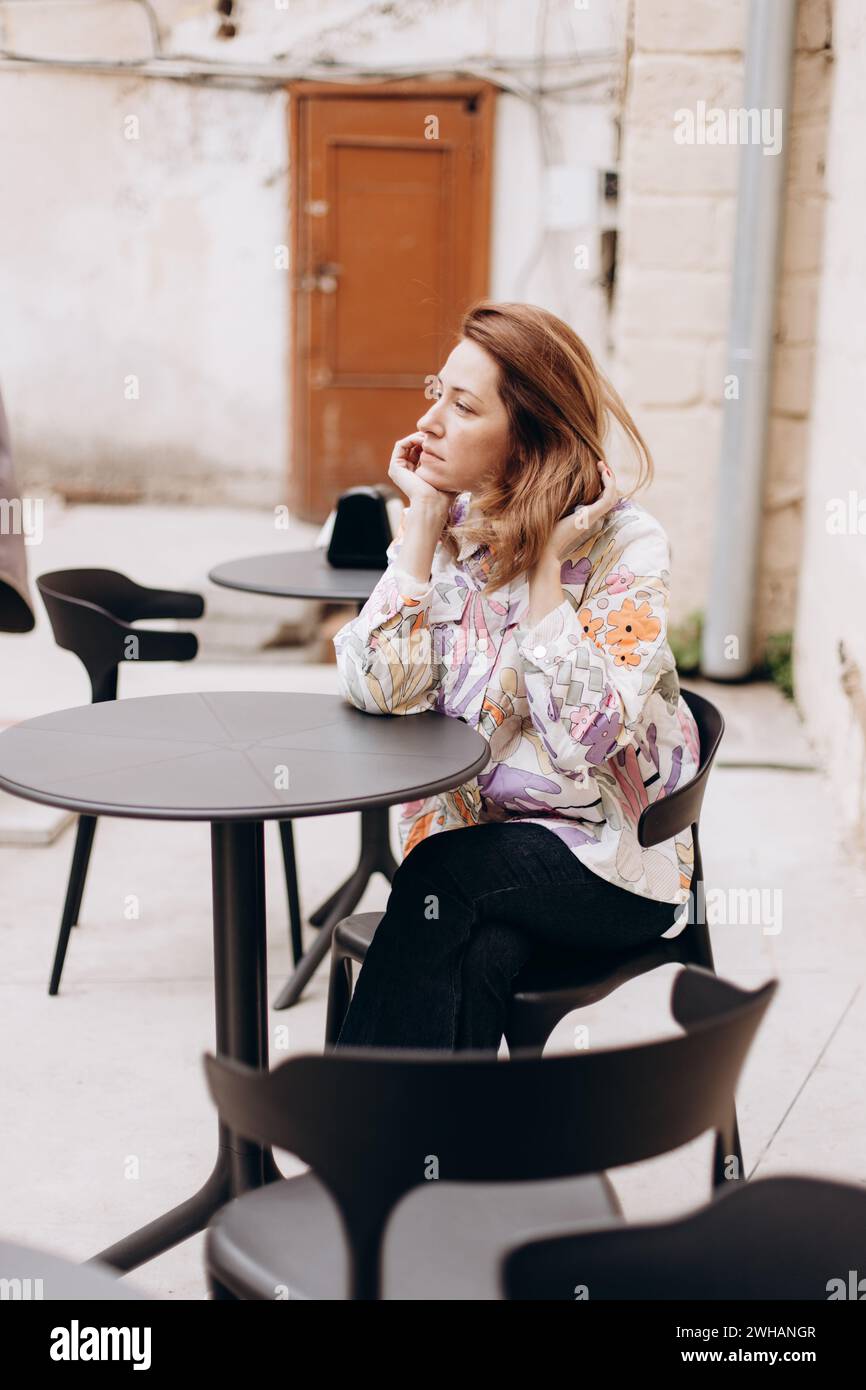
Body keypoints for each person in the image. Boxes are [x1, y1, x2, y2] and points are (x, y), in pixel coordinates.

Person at [331, 300, 701, 1053]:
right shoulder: (459, 527)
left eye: (462, 406)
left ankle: (355, 1132)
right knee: (479, 952)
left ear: (529, 438)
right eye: (437, 392)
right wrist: (424, 527)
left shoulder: (626, 547)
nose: (429, 420)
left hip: (609, 862)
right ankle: (438, 1160)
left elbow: (583, 739)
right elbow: (377, 686)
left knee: (440, 877)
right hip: (480, 854)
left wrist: (543, 577)